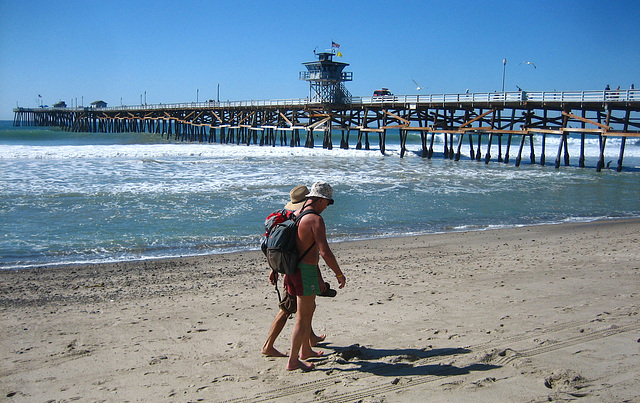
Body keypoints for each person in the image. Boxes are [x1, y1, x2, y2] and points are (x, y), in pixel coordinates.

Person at [285, 182, 346, 371]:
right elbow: (325, 252)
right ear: (321, 199)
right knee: (302, 319)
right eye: (328, 202)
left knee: (308, 311)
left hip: (292, 269)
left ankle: (305, 351)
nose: (327, 206)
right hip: (305, 272)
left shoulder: (296, 214)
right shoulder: (315, 220)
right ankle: (293, 361)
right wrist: (339, 273)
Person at [261, 185, 326, 357]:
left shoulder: (288, 218)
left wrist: (274, 270)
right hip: (294, 272)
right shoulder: (302, 219)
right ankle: (268, 345)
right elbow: (306, 254)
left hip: (285, 268)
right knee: (288, 309)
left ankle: (309, 339)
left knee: (305, 307)